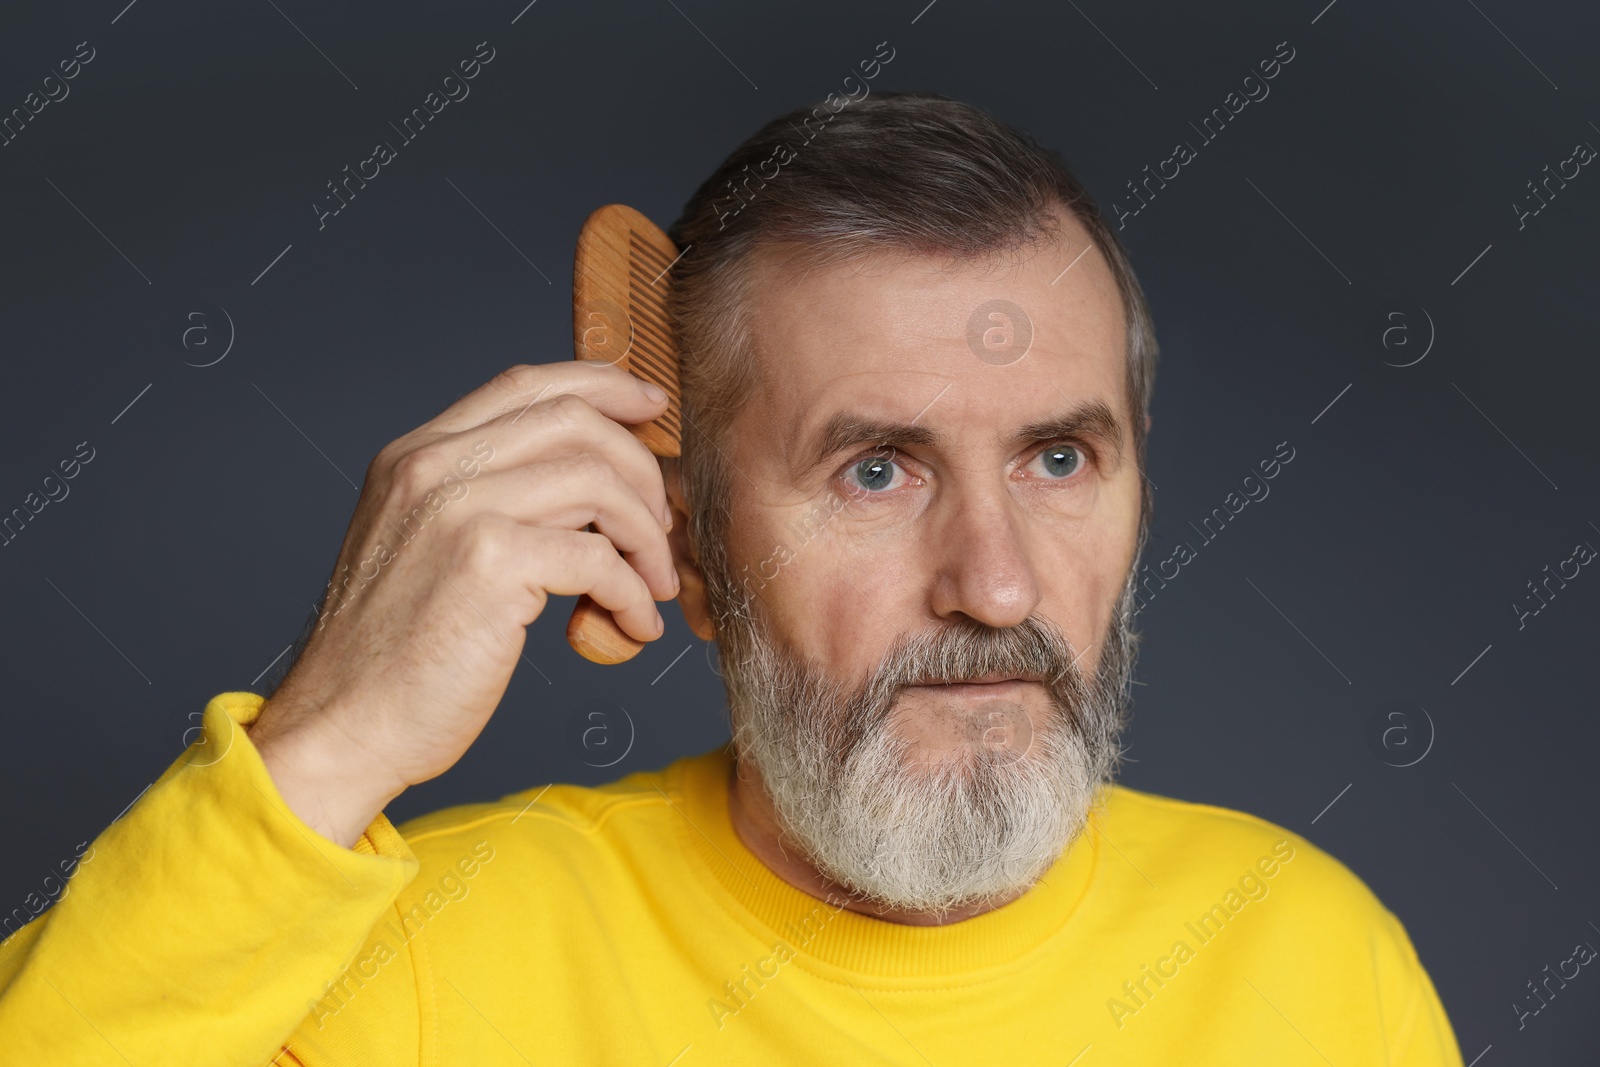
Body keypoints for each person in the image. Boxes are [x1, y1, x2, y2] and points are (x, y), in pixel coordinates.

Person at [0, 90, 1463, 1065]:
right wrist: (329, 744)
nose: (997, 586)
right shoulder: (419, 974)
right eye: (875, 469)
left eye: (1058, 461)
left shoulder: (1310, 960)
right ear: (688, 547)